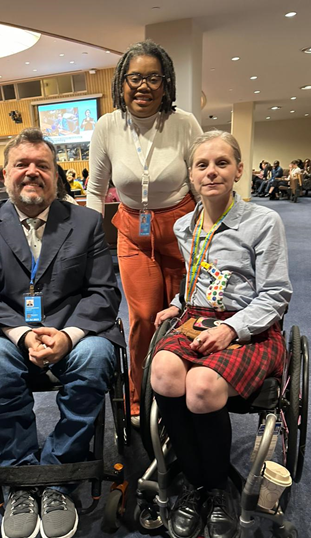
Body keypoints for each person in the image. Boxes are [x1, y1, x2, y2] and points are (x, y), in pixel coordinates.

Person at [0, 127, 122, 538]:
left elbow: (104, 292)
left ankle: (56, 480)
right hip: (7, 334)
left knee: (97, 357)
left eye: (42, 165)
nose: (32, 172)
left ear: (56, 175)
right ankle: (22, 481)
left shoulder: (86, 222)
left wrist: (67, 336)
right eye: (22, 164)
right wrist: (20, 335)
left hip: (74, 331)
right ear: (6, 172)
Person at [149, 130, 292, 538]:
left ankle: (214, 492)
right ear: (191, 176)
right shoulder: (183, 225)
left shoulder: (264, 222)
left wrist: (231, 328)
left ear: (239, 171)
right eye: (202, 165)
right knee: (163, 374)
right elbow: (198, 278)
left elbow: (276, 294)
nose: (211, 171)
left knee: (202, 387)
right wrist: (178, 302)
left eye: (221, 163)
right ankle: (198, 483)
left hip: (250, 325)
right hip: (196, 317)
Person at [87, 40, 202, 423]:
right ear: (121, 83)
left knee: (188, 314)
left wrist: (211, 234)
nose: (144, 86)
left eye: (154, 78)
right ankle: (139, 396)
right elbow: (95, 188)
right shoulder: (107, 126)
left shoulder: (184, 123)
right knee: (144, 317)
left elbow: (200, 182)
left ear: (166, 84)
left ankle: (182, 387)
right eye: (135, 77)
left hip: (183, 229)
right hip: (133, 233)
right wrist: (86, 242)